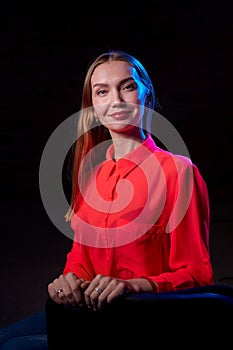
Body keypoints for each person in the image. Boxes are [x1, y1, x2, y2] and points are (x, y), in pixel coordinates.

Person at [45, 49, 214, 348]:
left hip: (148, 325)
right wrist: (66, 281)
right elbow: (80, 262)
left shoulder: (178, 172)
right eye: (102, 91)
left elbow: (197, 274)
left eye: (128, 86)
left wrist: (131, 286)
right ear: (93, 106)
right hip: (90, 323)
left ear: (147, 95)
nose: (116, 101)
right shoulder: (92, 177)